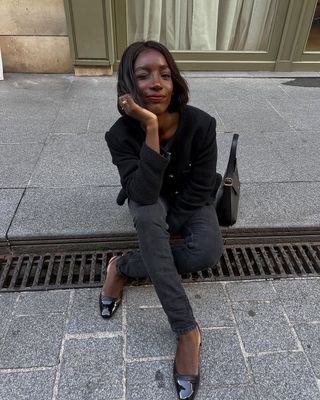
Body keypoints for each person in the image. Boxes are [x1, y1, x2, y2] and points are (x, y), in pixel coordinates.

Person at [100, 40, 223, 400]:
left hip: (189, 198)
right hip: (149, 194)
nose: (157, 83)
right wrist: (150, 127)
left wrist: (170, 228)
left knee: (206, 254)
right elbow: (141, 192)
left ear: (175, 81)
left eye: (165, 74)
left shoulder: (202, 124)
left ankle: (123, 266)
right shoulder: (120, 134)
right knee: (148, 214)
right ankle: (187, 331)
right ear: (128, 85)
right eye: (144, 75)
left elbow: (202, 185)